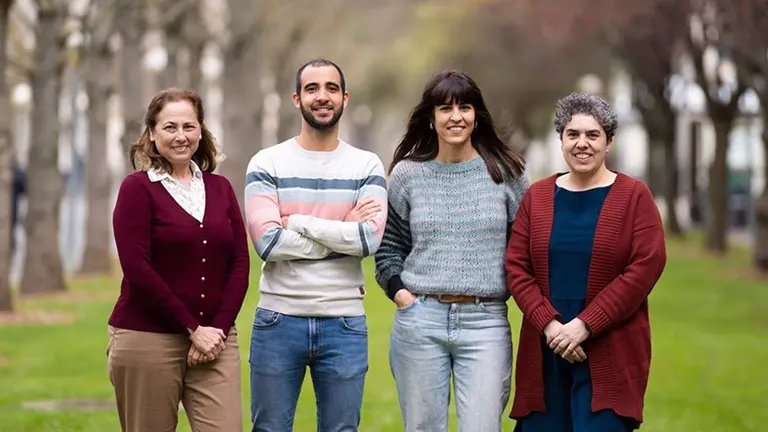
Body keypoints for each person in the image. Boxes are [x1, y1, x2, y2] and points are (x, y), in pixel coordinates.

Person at [374, 70, 529, 432]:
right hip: (420, 319)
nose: (455, 116)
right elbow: (388, 247)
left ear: (477, 115)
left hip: (485, 322)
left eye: (465, 107)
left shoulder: (507, 174)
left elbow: (524, 250)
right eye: (445, 108)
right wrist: (401, 295)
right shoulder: (407, 175)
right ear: (431, 117)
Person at [505, 92, 667, 431]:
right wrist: (551, 326)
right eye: (572, 134)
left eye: (592, 135)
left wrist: (584, 325)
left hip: (611, 351)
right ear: (561, 140)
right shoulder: (538, 196)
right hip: (545, 352)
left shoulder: (634, 197)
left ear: (608, 142)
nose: (582, 143)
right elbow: (517, 268)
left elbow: (644, 268)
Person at [244, 58, 387, 432]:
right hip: (277, 320)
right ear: (296, 99)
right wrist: (342, 228)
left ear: (344, 98)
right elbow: (269, 243)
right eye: (312, 89)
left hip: (345, 324)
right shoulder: (267, 162)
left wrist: (301, 222)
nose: (322, 96)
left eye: (331, 88)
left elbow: (368, 239)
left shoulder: (366, 165)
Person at [107, 88, 250, 432]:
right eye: (170, 127)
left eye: (189, 126)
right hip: (148, 338)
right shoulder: (136, 189)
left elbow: (240, 262)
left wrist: (216, 329)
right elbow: (138, 269)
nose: (181, 136)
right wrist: (192, 329)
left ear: (201, 131)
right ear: (153, 135)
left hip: (216, 340)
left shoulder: (220, 188)